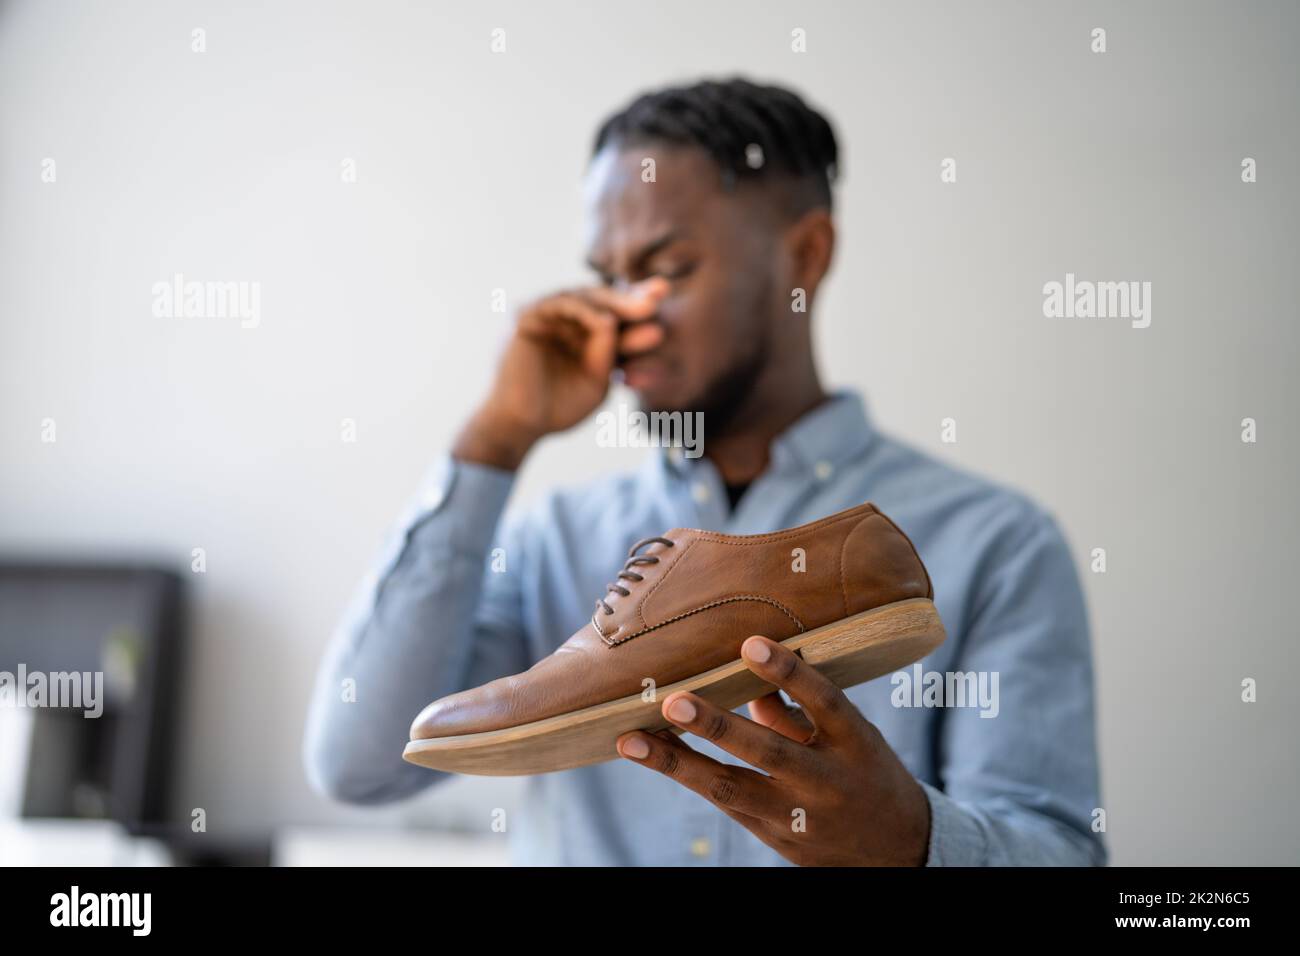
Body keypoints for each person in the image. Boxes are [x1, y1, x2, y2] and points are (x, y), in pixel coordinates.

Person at [302, 77, 1106, 866]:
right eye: (608, 278)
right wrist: (496, 438)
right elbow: (360, 763)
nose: (623, 316)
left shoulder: (995, 541)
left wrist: (914, 844)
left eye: (667, 269)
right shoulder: (553, 539)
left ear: (806, 256)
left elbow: (1063, 853)